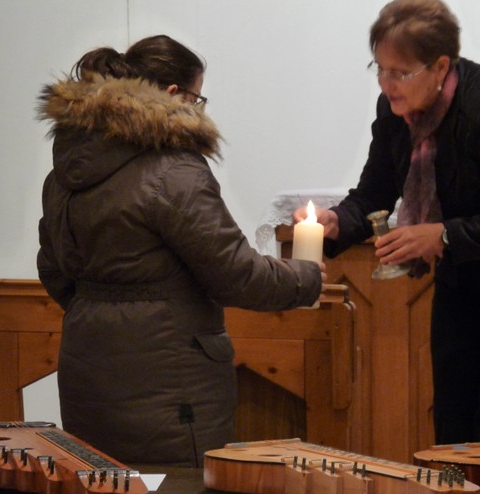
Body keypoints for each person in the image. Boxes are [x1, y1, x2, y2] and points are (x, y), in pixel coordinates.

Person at [294, 0, 480, 449]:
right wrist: (336, 222)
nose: (387, 84)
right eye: (380, 68)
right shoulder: (394, 110)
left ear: (441, 66)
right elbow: (373, 193)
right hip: (462, 258)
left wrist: (442, 234)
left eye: (401, 72)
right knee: (451, 394)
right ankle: (456, 486)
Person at [37, 35, 323, 467]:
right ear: (175, 94)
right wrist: (306, 276)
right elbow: (234, 274)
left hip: (86, 370)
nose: (201, 110)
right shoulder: (173, 171)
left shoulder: (63, 175)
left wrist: (104, 311)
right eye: (198, 98)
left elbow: (53, 270)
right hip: (171, 384)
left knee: (102, 490)